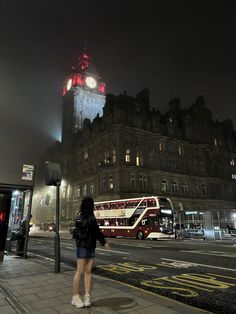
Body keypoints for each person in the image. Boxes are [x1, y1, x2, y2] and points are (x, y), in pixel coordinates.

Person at [72, 196, 111, 308]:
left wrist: (103, 242)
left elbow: (95, 232)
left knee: (87, 271)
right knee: (80, 271)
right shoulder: (84, 217)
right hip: (84, 246)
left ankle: (87, 296)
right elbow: (96, 231)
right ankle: (75, 296)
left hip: (88, 245)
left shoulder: (87, 216)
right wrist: (104, 242)